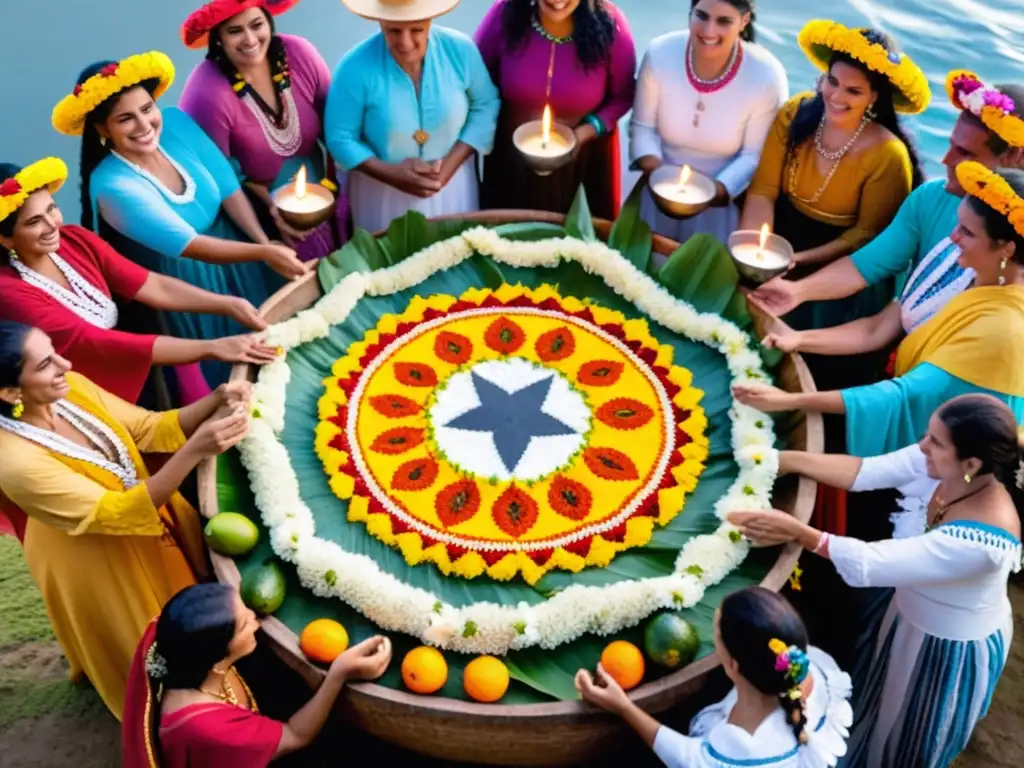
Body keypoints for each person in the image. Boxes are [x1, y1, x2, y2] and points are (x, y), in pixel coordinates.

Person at [730, 395, 1023, 767]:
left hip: (942, 646)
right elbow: (865, 471)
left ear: (971, 464)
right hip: (904, 610)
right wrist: (772, 460)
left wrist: (800, 533)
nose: (922, 447)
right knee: (877, 698)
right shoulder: (949, 465)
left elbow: (872, 563)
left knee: (905, 736)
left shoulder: (983, 543)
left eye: (935, 442)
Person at [0, 321, 252, 719]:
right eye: (46, 363)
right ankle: (183, 716)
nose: (65, 364)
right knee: (149, 635)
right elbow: (113, 513)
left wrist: (215, 398)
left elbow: (147, 428)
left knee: (193, 602)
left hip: (151, 511)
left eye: (55, 351)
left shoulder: (73, 387)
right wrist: (195, 449)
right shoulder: (13, 460)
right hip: (93, 554)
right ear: (11, 392)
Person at [52, 51, 311, 386]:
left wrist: (263, 242)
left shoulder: (175, 122)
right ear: (103, 129)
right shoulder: (111, 186)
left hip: (240, 246)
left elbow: (228, 188)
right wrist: (263, 253)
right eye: (125, 119)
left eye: (147, 109)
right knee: (243, 367)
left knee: (290, 334)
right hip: (188, 282)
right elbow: (190, 246)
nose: (144, 125)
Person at [734, 163, 1024, 459]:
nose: (952, 237)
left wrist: (793, 400)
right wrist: (798, 337)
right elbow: (882, 326)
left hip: (949, 453)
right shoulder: (959, 262)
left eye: (966, 231)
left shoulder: (1005, 326)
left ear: (1007, 249)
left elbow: (905, 394)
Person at [750, 72, 1024, 333]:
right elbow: (866, 265)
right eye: (951, 145)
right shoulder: (930, 197)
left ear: (1014, 157)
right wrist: (797, 292)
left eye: (965, 153)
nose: (946, 160)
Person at [0, 158, 277, 408]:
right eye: (34, 221)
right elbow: (96, 342)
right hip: (87, 397)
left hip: (134, 364)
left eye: (52, 209)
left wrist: (227, 304)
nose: (52, 225)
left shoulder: (75, 239)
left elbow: (152, 285)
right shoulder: (7, 290)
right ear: (6, 239)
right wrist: (211, 347)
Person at [740, 21, 928, 343]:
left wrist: (797, 261)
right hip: (776, 237)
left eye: (853, 91)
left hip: (839, 264)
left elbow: (864, 237)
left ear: (874, 98)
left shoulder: (888, 155)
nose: (835, 96)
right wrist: (753, 251)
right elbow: (763, 191)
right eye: (832, 81)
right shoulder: (794, 114)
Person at [575, 587, 852, 767]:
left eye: (715, 629)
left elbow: (682, 755)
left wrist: (622, 707)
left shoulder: (736, 752)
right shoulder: (806, 667)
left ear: (732, 665)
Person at [122, 583, 393, 767]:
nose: (254, 618)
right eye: (243, 624)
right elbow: (296, 736)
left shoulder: (177, 643)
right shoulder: (211, 730)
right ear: (218, 658)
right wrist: (339, 673)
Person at [179, 0, 349, 261]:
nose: (250, 39)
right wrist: (274, 214)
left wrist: (340, 186)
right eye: (234, 31)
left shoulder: (300, 53)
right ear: (218, 40)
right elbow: (224, 178)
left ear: (269, 22)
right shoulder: (205, 94)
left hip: (328, 183)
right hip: (257, 206)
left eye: (256, 25)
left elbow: (336, 125)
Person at [325, 0, 500, 233]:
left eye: (417, 29)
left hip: (454, 185)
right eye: (393, 31)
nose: (405, 43)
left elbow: (485, 104)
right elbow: (340, 137)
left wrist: (447, 169)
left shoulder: (461, 50)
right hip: (381, 192)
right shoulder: (353, 67)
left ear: (430, 21)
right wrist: (391, 174)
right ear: (380, 23)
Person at [631, 0, 787, 254]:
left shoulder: (765, 75)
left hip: (720, 199)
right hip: (654, 185)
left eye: (724, 21)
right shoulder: (661, 53)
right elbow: (642, 127)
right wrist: (657, 175)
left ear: (744, 21)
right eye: (701, 16)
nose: (709, 31)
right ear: (690, 12)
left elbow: (753, 156)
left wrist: (715, 191)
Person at [473, 0, 636, 221]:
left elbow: (623, 95)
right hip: (510, 163)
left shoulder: (610, 24)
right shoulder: (505, 15)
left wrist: (587, 131)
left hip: (582, 163)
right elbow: (475, 81)